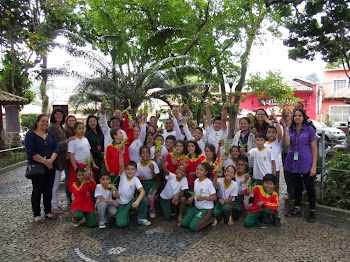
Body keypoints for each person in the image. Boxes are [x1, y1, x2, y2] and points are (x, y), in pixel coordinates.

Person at [282, 109, 318, 223]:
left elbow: (314, 148)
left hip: (306, 161)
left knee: (309, 187)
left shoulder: (309, 130)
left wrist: (314, 166)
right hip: (294, 162)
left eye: (299, 115)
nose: (297, 117)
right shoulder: (291, 129)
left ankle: (312, 210)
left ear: (304, 117)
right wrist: (284, 127)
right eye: (295, 115)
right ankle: (297, 208)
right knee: (297, 186)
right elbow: (287, 143)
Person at [25, 114, 59, 223]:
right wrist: (45, 161)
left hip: (50, 166)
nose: (45, 123)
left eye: (46, 121)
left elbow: (56, 148)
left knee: (48, 190)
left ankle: (48, 211)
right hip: (38, 167)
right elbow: (30, 152)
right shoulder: (31, 135)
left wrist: (51, 161)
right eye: (42, 121)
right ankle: (37, 214)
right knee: (37, 190)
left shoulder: (50, 134)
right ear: (37, 122)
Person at [181, 162, 217, 231]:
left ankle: (211, 219)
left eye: (201, 170)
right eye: (197, 169)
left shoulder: (208, 183)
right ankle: (197, 217)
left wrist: (204, 198)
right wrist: (192, 198)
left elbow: (214, 197)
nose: (198, 171)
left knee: (193, 227)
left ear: (206, 172)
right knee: (184, 224)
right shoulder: (196, 181)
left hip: (206, 209)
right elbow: (195, 192)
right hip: (197, 207)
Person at [116, 161, 151, 227]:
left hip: (130, 202)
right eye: (128, 169)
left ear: (136, 170)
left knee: (143, 199)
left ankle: (142, 218)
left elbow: (142, 191)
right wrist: (120, 153)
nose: (130, 171)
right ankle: (122, 214)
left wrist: (137, 202)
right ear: (125, 170)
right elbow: (121, 164)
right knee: (121, 224)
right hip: (121, 204)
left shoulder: (135, 179)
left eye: (132, 169)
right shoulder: (123, 176)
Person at [67, 122, 99, 190]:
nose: (81, 130)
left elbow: (89, 152)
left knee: (89, 183)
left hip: (87, 165)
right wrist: (76, 168)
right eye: (79, 128)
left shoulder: (85, 139)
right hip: (78, 165)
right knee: (79, 185)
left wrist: (93, 163)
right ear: (75, 130)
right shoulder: (72, 141)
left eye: (82, 128)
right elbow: (71, 155)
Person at [48, 108, 67, 214]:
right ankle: (53, 205)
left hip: (61, 159)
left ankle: (55, 203)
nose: (59, 116)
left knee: (57, 182)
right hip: (55, 159)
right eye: (57, 114)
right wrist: (65, 142)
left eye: (61, 114)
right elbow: (52, 145)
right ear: (53, 115)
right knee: (54, 184)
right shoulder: (52, 127)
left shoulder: (61, 128)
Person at [136, 146, 160, 219]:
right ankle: (143, 211)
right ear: (140, 154)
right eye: (143, 153)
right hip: (144, 183)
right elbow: (136, 177)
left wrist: (152, 170)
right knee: (144, 197)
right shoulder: (138, 165)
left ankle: (151, 209)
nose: (145, 154)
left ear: (149, 154)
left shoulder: (152, 163)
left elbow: (156, 177)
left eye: (147, 153)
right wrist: (139, 177)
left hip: (154, 182)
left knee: (150, 196)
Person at [85, 115, 104, 183]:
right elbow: (89, 147)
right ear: (88, 123)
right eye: (90, 121)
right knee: (95, 175)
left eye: (94, 121)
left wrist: (103, 152)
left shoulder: (100, 132)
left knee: (101, 175)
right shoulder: (87, 134)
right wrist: (99, 153)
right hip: (93, 157)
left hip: (101, 157)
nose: (92, 123)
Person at [280, 108, 294, 199]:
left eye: (288, 113)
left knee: (294, 174)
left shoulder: (294, 126)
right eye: (285, 114)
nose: (287, 115)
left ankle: (294, 193)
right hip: (285, 152)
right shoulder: (282, 126)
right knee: (287, 174)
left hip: (293, 153)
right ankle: (290, 193)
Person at [265, 124, 282, 193]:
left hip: (276, 169)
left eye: (273, 132)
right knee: (266, 188)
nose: (271, 134)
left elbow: (280, 134)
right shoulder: (264, 144)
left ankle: (275, 202)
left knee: (275, 188)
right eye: (269, 132)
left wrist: (276, 122)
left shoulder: (277, 143)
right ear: (266, 134)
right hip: (266, 169)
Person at [63, 115, 76, 203]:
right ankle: (68, 196)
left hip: (77, 157)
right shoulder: (64, 131)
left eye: (73, 120)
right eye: (70, 120)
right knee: (68, 177)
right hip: (68, 158)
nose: (71, 122)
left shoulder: (78, 130)